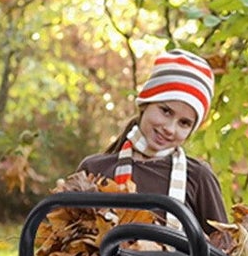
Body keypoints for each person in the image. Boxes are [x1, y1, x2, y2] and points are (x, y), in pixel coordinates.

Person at [79, 49, 229, 231]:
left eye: (184, 123)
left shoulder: (198, 178)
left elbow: (223, 247)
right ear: (145, 104)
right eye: (166, 111)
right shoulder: (96, 170)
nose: (169, 128)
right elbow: (68, 243)